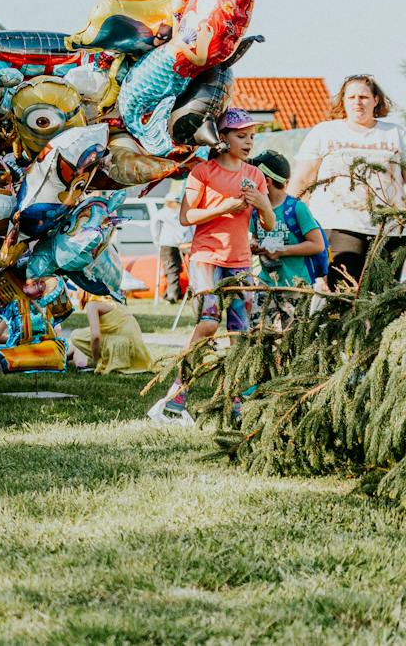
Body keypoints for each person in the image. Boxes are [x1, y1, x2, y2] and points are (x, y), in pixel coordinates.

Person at [149, 108, 276, 425]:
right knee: (207, 323)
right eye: (240, 135)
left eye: (251, 136)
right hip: (207, 257)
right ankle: (177, 394)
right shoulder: (202, 173)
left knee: (239, 331)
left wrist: (261, 203)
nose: (248, 142)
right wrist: (227, 206)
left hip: (241, 263)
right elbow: (185, 217)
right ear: (222, 137)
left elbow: (269, 224)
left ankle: (237, 401)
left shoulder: (256, 175)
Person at [287, 74, 406, 290]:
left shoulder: (395, 134)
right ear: (342, 101)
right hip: (338, 223)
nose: (357, 102)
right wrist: (285, 217)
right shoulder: (325, 132)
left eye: (363, 97)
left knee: (381, 297)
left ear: (376, 100)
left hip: (388, 228)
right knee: (342, 292)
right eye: (351, 97)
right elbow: (303, 178)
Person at [248, 151, 327, 326]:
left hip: (296, 286)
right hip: (265, 283)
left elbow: (317, 245)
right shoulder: (256, 211)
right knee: (258, 330)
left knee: (292, 335)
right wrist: (254, 245)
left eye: (253, 177)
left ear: (266, 182)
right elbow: (255, 237)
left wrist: (281, 251)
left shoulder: (296, 208)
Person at [69, 294, 154, 375]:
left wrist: (95, 360)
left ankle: (105, 359)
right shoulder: (113, 301)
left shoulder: (92, 304)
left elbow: (95, 337)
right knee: (85, 334)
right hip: (137, 354)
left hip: (119, 345)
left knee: (76, 335)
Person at [152, 182, 192, 303]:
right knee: (177, 268)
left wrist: (157, 241)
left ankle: (172, 295)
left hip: (167, 243)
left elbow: (154, 227)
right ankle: (176, 292)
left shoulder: (162, 213)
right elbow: (189, 228)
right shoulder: (181, 212)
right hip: (181, 243)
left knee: (171, 269)